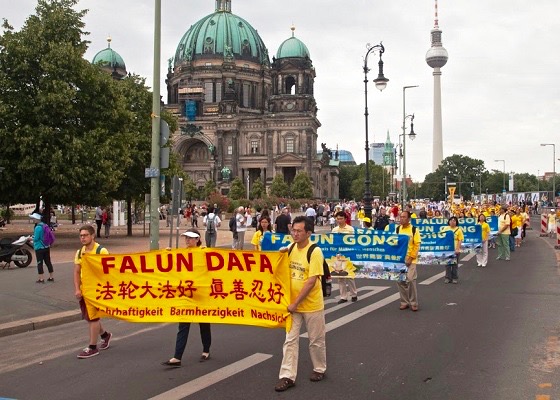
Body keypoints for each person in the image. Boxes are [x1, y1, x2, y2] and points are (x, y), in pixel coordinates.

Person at [274, 216, 326, 392]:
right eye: (293, 230)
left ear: (308, 233)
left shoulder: (315, 251)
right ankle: (287, 376)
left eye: (298, 231)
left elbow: (311, 281)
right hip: (292, 305)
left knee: (316, 340)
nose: (294, 234)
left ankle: (319, 368)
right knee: (290, 340)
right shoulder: (290, 248)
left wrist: (295, 303)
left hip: (310, 304)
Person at [162, 229, 211, 367]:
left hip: (201, 294)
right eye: (186, 238)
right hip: (186, 294)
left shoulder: (204, 252)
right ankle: (177, 357)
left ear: (197, 239)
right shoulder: (181, 254)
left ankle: (206, 349)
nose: (187, 241)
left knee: (204, 323)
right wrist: (167, 255)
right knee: (183, 324)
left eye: (190, 238)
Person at [73, 225, 112, 359]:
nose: (82, 238)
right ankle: (105, 335)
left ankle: (92, 347)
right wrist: (77, 289)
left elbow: (108, 272)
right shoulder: (80, 252)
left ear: (92, 235)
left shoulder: (102, 251)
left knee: (93, 318)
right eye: (81, 236)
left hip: (97, 290)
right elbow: (77, 272)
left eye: (85, 235)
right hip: (85, 290)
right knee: (90, 317)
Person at [386, 211, 421, 311]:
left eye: (404, 217)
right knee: (400, 280)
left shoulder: (414, 230)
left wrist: (411, 257)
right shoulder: (397, 229)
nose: (401, 219)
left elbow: (416, 245)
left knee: (410, 279)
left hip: (411, 259)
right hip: (400, 259)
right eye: (400, 217)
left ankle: (413, 302)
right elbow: (392, 242)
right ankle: (404, 301)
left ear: (409, 219)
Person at [332, 211, 358, 303]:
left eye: (341, 218)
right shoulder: (334, 230)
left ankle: (354, 294)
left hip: (348, 254)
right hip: (338, 255)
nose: (339, 220)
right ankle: (343, 296)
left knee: (350, 275)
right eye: (337, 219)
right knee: (340, 277)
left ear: (345, 219)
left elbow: (355, 242)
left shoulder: (350, 229)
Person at [30, 212, 54, 283]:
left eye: (34, 218)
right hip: (46, 246)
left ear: (37, 219)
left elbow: (36, 238)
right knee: (48, 262)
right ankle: (51, 276)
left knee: (39, 263)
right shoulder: (45, 225)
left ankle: (41, 278)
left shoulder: (37, 227)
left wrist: (30, 238)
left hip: (39, 247)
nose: (33, 220)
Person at [442, 216, 464, 284]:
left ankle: (454, 278)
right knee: (447, 264)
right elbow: (441, 237)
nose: (452, 222)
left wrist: (458, 248)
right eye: (451, 220)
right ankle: (447, 278)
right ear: (449, 221)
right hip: (447, 249)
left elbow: (460, 240)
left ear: (456, 222)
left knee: (454, 264)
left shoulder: (459, 230)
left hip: (455, 249)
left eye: (454, 221)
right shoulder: (445, 228)